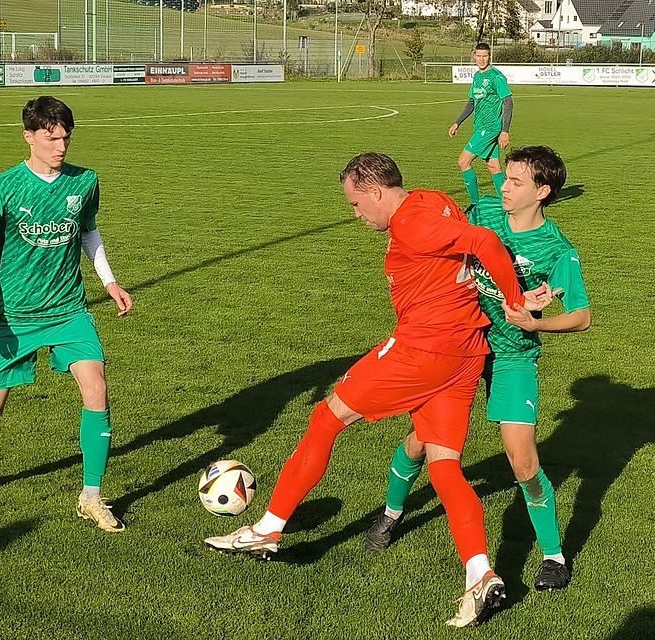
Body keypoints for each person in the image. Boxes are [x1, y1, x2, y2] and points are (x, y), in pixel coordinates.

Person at [205, 152, 554, 627]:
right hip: (464, 355)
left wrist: (514, 301)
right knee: (445, 466)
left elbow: (485, 239)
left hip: (421, 350)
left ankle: (268, 529)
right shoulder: (433, 200)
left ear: (375, 191)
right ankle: (479, 573)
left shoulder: (410, 223)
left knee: (326, 417)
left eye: (355, 202)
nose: (356, 213)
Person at [365, 146, 591, 592]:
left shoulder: (557, 250)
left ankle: (552, 555)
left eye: (516, 182)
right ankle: (391, 513)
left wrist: (537, 320)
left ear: (543, 192)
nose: (502, 187)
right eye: (505, 178)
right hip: (461, 345)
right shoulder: (482, 212)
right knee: (422, 442)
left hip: (513, 354)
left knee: (522, 460)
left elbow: (582, 316)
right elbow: (442, 242)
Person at [0, 96, 133, 533]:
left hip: (68, 309)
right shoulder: (1, 187)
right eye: (51, 137)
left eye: (66, 137)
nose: (61, 146)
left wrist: (109, 282)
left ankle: (92, 497)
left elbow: (89, 233)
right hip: (13, 318)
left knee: (96, 388)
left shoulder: (85, 182)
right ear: (29, 136)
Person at [449, 42, 513, 205]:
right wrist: (458, 122)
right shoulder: (477, 76)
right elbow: (472, 101)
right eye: (479, 56)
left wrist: (505, 131)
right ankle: (506, 202)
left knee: (463, 161)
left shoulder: (496, 76)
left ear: (489, 56)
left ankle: (474, 203)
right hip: (480, 126)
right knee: (494, 167)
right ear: (474, 56)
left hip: (490, 128)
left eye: (485, 56)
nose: (482, 59)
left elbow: (508, 102)